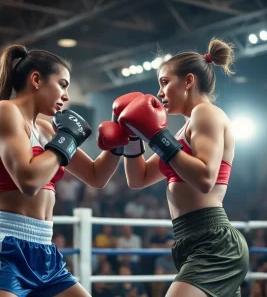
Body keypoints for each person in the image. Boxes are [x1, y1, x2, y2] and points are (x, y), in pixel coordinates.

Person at [0, 44, 141, 297]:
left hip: (44, 250)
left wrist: (120, 139)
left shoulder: (47, 129)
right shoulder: (4, 112)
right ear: (36, 79)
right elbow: (29, 181)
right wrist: (67, 140)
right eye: (62, 84)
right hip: (7, 248)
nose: (66, 95)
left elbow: (96, 176)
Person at [100, 38, 250, 297]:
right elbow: (139, 178)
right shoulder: (182, 132)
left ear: (189, 81)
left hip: (213, 243)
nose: (159, 92)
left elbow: (205, 178)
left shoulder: (206, 113)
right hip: (189, 240)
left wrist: (157, 137)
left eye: (165, 82)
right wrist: (133, 137)